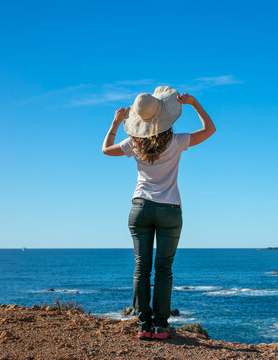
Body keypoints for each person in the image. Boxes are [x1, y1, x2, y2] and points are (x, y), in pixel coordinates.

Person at [102, 86, 216, 340]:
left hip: (140, 208)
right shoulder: (176, 142)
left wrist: (115, 122)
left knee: (141, 268)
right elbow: (210, 130)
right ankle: (161, 327)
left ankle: (144, 327)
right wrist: (194, 103)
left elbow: (105, 149)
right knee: (163, 270)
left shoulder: (134, 143)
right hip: (170, 211)